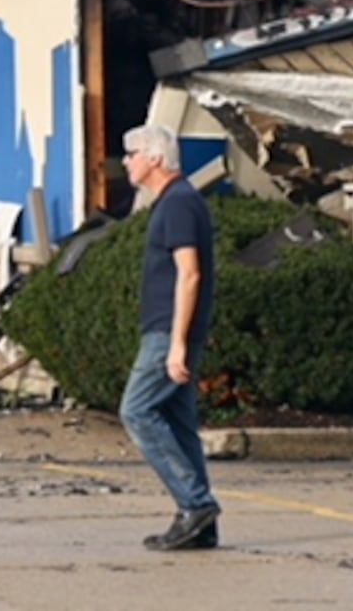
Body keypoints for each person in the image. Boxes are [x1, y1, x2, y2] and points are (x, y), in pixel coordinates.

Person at [117, 122, 221, 551]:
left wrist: (177, 342)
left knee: (137, 411)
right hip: (169, 329)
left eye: (132, 153)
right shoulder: (176, 202)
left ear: (155, 159)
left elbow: (190, 273)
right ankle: (200, 524)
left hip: (168, 332)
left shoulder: (178, 203)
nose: (126, 161)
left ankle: (195, 503)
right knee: (178, 424)